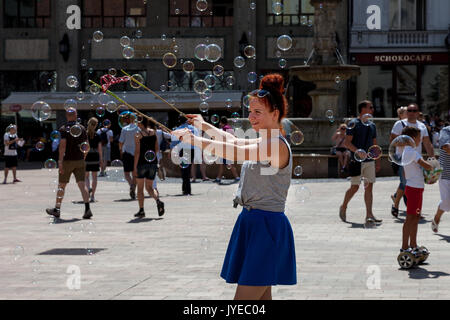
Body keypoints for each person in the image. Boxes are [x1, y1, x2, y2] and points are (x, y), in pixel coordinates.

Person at [172, 73, 296, 300]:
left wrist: (194, 140)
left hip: (266, 226)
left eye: (258, 112)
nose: (251, 117)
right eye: (250, 111)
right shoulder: (264, 140)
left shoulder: (275, 145)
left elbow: (235, 152)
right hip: (252, 222)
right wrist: (204, 126)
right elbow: (233, 141)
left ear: (275, 113)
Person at [339, 100, 382, 224]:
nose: (373, 109)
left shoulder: (372, 126)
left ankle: (369, 215)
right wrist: (357, 151)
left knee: (369, 187)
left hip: (369, 160)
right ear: (363, 109)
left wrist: (377, 160)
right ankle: (344, 206)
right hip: (356, 160)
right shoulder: (354, 123)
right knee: (355, 187)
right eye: (370, 107)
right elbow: (347, 143)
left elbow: (375, 145)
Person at [46, 108, 93, 219]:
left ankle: (57, 209)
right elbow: (87, 146)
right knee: (82, 185)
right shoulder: (82, 128)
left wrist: (60, 162)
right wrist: (83, 157)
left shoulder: (64, 129)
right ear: (76, 115)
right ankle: (87, 209)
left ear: (67, 116)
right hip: (80, 160)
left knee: (62, 185)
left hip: (67, 161)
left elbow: (62, 146)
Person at [390, 103, 435, 217]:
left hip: (416, 158)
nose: (412, 112)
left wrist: (432, 158)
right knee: (405, 183)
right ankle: (411, 210)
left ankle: (397, 201)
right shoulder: (399, 124)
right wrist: (408, 142)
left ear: (418, 112)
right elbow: (393, 141)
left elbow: (427, 143)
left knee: (406, 183)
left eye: (414, 110)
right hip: (403, 158)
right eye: (409, 110)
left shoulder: (422, 126)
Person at [399, 126, 432, 253]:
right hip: (414, 188)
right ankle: (404, 246)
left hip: (416, 187)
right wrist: (436, 165)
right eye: (419, 138)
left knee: (416, 216)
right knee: (410, 218)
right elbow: (426, 165)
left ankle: (413, 244)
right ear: (412, 138)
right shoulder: (411, 152)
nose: (420, 140)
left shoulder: (408, 151)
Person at [133, 117, 165, 218]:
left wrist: (134, 166)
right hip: (152, 163)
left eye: (138, 122)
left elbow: (137, 152)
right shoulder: (153, 132)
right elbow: (156, 149)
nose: (137, 123)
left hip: (142, 163)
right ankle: (158, 201)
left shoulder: (138, 135)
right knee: (150, 187)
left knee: (140, 189)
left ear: (141, 124)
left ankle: (141, 210)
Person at [170, 116, 197, 196]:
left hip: (183, 149)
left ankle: (186, 189)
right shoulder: (193, 129)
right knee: (187, 169)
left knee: (184, 170)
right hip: (192, 149)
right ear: (186, 121)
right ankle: (185, 188)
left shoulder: (178, 129)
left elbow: (174, 142)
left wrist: (172, 150)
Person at [431, 125, 450, 233]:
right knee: (447, 201)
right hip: (446, 172)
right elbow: (447, 148)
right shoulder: (446, 130)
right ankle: (437, 218)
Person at [119, 113, 140, 200]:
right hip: (136, 153)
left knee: (127, 173)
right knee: (135, 173)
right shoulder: (138, 129)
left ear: (128, 120)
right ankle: (133, 188)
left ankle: (131, 185)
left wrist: (120, 150)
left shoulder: (124, 129)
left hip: (126, 152)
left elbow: (121, 141)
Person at [214, 116, 240, 183]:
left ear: (221, 122)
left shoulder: (223, 129)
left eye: (220, 122)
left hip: (225, 148)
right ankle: (219, 178)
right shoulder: (230, 128)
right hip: (229, 148)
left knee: (227, 164)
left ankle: (237, 177)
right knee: (225, 164)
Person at [85, 118, 103, 203]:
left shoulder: (85, 134)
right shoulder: (97, 135)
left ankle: (88, 189)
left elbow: (83, 147)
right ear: (95, 125)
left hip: (86, 156)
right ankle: (92, 196)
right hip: (95, 156)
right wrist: (101, 159)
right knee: (95, 177)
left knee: (86, 176)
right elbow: (100, 149)